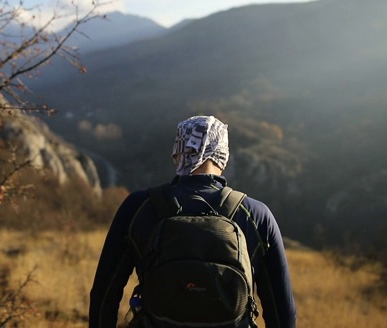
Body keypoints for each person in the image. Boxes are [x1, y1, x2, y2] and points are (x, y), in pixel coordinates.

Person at [89, 115, 296, 328]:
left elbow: (104, 294)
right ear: (223, 155)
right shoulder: (256, 215)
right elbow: (283, 314)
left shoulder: (138, 207)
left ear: (177, 153)